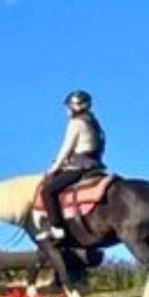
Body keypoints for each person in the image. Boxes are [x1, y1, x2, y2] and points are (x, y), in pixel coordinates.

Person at [37, 89, 107, 241]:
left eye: (68, 107)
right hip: (96, 166)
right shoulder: (94, 123)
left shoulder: (76, 123)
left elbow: (66, 148)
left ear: (75, 106)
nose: (66, 110)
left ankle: (56, 227)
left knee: (48, 191)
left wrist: (55, 167)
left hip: (79, 166)